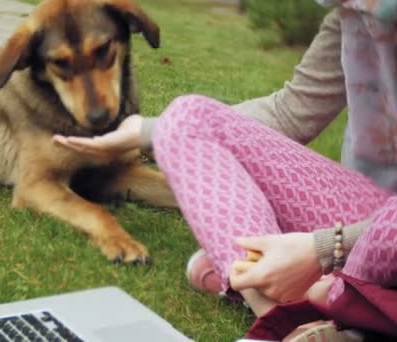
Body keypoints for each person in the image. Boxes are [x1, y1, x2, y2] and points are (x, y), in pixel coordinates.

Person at [53, 2, 397, 341]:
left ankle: (331, 302)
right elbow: (293, 111)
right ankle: (288, 319)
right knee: (187, 118)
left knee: (218, 263)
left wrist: (324, 249)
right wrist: (149, 131)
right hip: (367, 213)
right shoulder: (353, 15)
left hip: (386, 233)